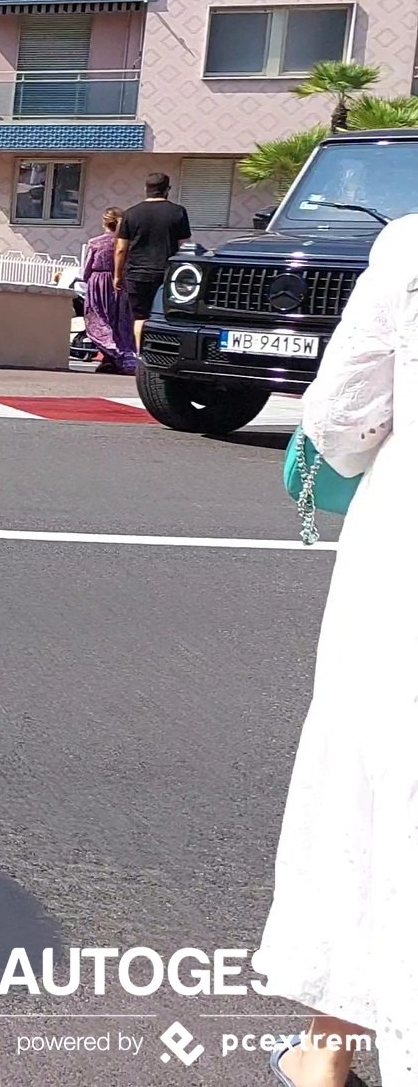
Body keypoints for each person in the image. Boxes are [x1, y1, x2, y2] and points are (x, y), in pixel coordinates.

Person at [255, 213, 417, 1087]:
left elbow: (343, 416)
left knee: (373, 799)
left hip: (408, 578)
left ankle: (326, 1055)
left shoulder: (411, 247)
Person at [114, 173, 190, 345]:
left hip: (136, 274)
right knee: (164, 316)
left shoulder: (130, 213)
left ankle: (141, 356)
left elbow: (120, 249)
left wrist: (117, 276)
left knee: (140, 318)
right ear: (167, 190)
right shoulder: (178, 212)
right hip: (167, 274)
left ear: (145, 189)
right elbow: (184, 247)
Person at [78, 207, 136, 373]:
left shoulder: (95, 243)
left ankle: (112, 353)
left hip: (99, 282)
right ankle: (119, 357)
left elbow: (86, 270)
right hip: (120, 282)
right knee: (120, 321)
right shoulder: (125, 244)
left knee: (99, 319)